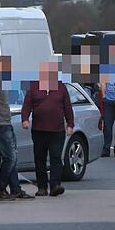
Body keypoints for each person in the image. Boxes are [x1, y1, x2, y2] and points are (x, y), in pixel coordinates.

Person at [21, 61, 75, 197]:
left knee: (56, 158)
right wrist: (25, 119)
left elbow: (68, 107)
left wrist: (70, 124)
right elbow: (27, 104)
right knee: (40, 159)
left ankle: (55, 185)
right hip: (39, 130)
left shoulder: (60, 87)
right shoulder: (34, 86)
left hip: (57, 130)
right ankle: (42, 187)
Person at [0, 55, 31, 200]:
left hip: (6, 122)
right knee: (10, 158)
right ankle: (0, 188)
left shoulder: (2, 82)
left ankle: (16, 189)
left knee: (12, 157)